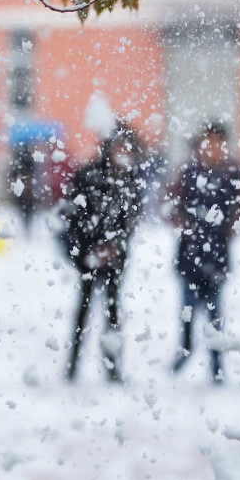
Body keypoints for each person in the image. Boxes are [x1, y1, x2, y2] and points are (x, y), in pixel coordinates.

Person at [60, 125, 147, 383]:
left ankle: (112, 367)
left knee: (112, 313)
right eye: (119, 147)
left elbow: (130, 221)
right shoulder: (88, 176)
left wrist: (114, 247)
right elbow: (74, 218)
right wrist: (87, 251)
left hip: (114, 261)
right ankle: (73, 366)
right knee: (83, 311)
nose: (123, 154)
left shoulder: (130, 181)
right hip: (87, 259)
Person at [167, 124, 240, 383]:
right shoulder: (188, 172)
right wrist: (187, 228)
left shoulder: (231, 172)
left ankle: (216, 365)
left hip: (216, 255)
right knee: (187, 310)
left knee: (215, 315)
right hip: (190, 256)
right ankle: (185, 349)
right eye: (208, 143)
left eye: (217, 143)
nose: (212, 149)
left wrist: (230, 228)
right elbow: (169, 203)